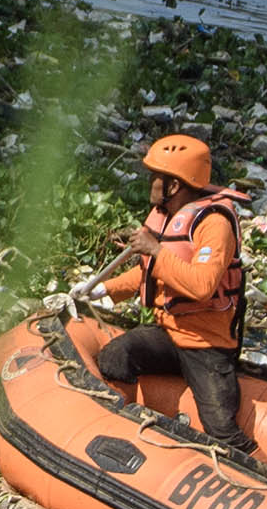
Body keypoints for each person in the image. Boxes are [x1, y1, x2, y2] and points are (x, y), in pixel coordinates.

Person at [94, 130, 249, 450]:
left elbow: (202, 286)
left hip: (206, 344)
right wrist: (101, 290)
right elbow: (149, 274)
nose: (150, 183)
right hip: (168, 332)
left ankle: (250, 472)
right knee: (115, 356)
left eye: (155, 177)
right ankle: (118, 430)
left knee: (220, 426)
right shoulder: (167, 216)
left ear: (174, 185)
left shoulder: (214, 225)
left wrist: (157, 252)